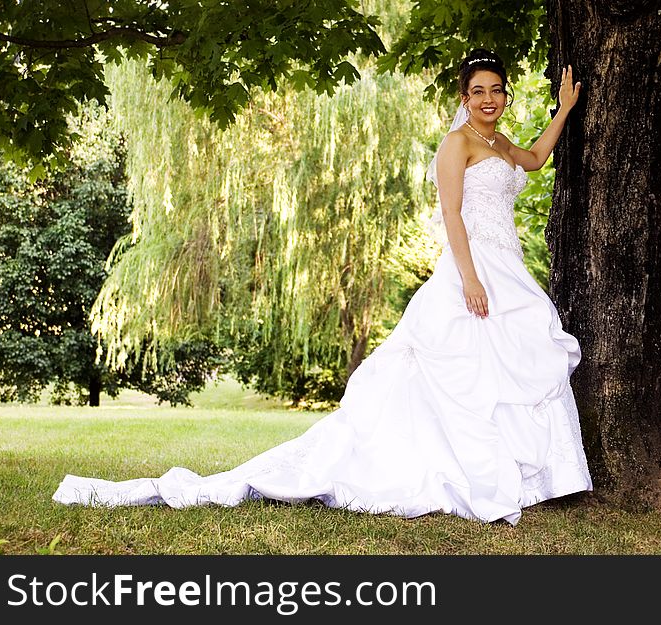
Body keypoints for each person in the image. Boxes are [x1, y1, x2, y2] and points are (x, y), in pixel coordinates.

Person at [52, 49, 592, 526]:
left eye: (497, 90)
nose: (489, 98)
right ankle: (468, 474)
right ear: (463, 96)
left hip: (508, 267)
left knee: (505, 369)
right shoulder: (456, 144)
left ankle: (523, 475)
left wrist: (564, 109)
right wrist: (471, 280)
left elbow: (536, 158)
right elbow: (451, 214)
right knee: (462, 371)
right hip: (472, 270)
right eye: (479, 91)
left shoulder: (497, 141)